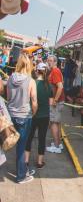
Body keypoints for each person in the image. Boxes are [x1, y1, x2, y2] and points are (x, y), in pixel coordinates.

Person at [6, 54, 38, 183]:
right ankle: (21, 176)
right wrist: (33, 113)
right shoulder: (31, 81)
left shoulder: (10, 78)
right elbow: (34, 101)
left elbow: (8, 98)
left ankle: (23, 169)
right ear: (29, 65)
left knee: (8, 144)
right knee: (21, 146)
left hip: (11, 115)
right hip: (24, 116)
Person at [25, 63, 52, 170]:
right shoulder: (48, 86)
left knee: (29, 137)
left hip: (32, 115)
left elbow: (28, 99)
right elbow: (50, 103)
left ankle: (26, 160)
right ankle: (40, 162)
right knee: (42, 138)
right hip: (45, 116)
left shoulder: (32, 83)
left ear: (37, 71)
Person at [46, 55, 64, 154]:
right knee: (57, 123)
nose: (49, 62)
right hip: (57, 101)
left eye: (51, 61)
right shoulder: (54, 71)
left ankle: (57, 146)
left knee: (53, 123)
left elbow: (60, 87)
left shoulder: (55, 71)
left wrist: (55, 100)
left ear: (55, 62)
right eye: (48, 60)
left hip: (56, 102)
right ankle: (58, 143)